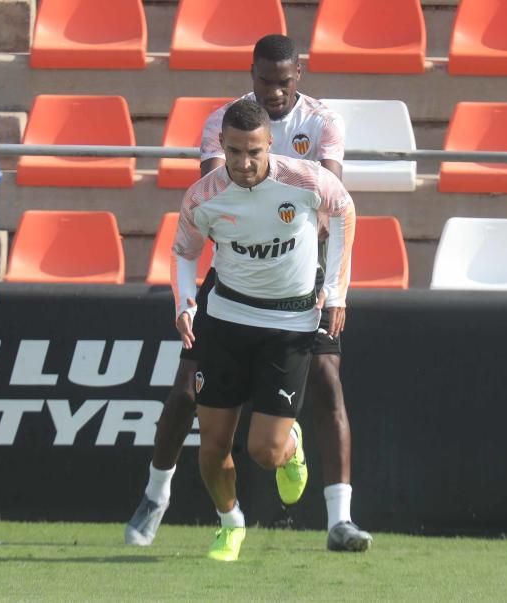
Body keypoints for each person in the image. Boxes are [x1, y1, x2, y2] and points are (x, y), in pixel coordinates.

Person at [126, 35, 373, 552]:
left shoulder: (321, 126)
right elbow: (211, 206)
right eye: (265, 81)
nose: (276, 91)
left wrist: (333, 291)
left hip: (299, 281)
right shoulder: (222, 123)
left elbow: (334, 206)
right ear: (252, 74)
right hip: (235, 279)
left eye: (285, 82)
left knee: (326, 381)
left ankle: (339, 518)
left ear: (299, 75)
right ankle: (157, 495)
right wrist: (187, 298)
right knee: (184, 394)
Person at [169, 99, 355, 561]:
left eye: (253, 151)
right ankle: (230, 524)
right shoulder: (203, 195)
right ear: (222, 147)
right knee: (211, 446)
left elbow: (346, 212)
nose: (244, 163)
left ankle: (291, 448)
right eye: (234, 152)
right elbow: (183, 251)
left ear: (270, 143)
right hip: (226, 320)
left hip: (290, 324)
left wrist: (335, 292)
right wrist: (184, 302)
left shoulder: (306, 179)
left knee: (264, 452)